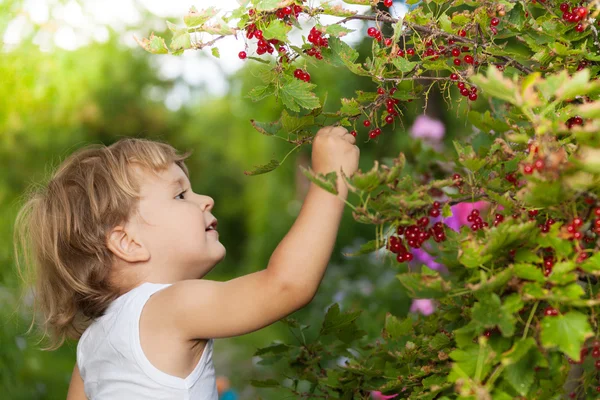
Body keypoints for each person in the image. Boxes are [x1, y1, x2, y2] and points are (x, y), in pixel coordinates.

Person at [13, 126, 360, 399]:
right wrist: (330, 180)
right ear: (127, 243)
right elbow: (285, 284)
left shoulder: (91, 346)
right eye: (180, 195)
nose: (206, 200)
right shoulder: (170, 306)